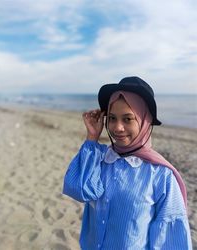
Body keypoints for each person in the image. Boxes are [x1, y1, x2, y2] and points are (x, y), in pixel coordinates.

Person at [63, 76, 192, 249]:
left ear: (145, 121)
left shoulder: (161, 175)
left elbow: (169, 239)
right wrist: (92, 138)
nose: (117, 127)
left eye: (128, 119)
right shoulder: (98, 158)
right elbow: (79, 190)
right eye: (112, 118)